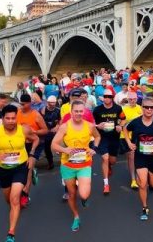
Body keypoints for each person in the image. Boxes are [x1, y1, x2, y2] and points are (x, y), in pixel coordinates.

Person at [0, 104, 39, 242]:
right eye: (8, 118)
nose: (11, 121)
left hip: (20, 167)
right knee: (8, 200)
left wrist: (31, 155)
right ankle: (27, 186)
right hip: (4, 170)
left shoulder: (24, 129)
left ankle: (11, 233)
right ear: (3, 118)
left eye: (13, 118)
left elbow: (36, 139)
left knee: (14, 199)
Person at [51, 100, 101, 232]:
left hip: (85, 163)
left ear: (84, 111)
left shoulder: (90, 126)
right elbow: (54, 144)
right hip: (68, 165)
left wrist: (94, 148)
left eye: (81, 111)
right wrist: (65, 150)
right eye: (76, 111)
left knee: (84, 194)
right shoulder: (65, 127)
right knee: (72, 194)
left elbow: (97, 137)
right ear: (71, 112)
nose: (79, 113)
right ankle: (76, 217)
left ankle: (84, 199)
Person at [16, 93, 48, 208]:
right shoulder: (17, 113)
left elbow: (45, 130)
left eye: (23, 104)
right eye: (20, 104)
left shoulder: (36, 115)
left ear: (29, 103)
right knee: (22, 168)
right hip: (22, 145)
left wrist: (33, 132)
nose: (21, 106)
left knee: (28, 167)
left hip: (36, 144)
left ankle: (25, 195)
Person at [92, 89, 125, 195]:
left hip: (114, 137)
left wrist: (121, 125)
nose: (107, 98)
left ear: (112, 98)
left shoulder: (118, 108)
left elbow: (124, 119)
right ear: (103, 97)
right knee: (105, 158)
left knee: (113, 161)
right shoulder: (97, 109)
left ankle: (110, 166)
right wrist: (98, 126)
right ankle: (106, 184)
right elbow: (91, 123)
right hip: (102, 137)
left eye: (109, 96)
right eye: (105, 96)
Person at [121, 91, 143, 189]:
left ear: (137, 99)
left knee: (137, 156)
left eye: (134, 99)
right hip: (126, 136)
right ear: (128, 99)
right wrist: (131, 122)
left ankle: (138, 175)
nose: (132, 101)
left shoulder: (140, 109)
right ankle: (133, 179)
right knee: (131, 156)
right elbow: (121, 123)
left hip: (138, 136)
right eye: (130, 99)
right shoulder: (123, 109)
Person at [41, 95, 61, 170]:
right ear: (47, 103)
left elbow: (60, 120)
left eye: (54, 103)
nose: (52, 104)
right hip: (47, 131)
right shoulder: (43, 110)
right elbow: (40, 121)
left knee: (58, 146)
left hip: (55, 131)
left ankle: (63, 160)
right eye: (50, 103)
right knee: (47, 147)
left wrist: (57, 127)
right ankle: (50, 162)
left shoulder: (58, 110)